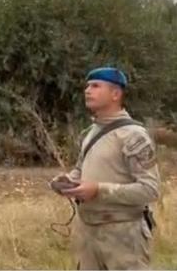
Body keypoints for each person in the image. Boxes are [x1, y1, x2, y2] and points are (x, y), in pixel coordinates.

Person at [50, 67, 160, 270]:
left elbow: (150, 189)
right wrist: (67, 182)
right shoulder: (90, 133)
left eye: (95, 86)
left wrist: (98, 190)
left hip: (124, 235)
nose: (87, 91)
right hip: (89, 232)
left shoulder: (133, 136)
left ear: (115, 94)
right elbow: (80, 171)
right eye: (87, 86)